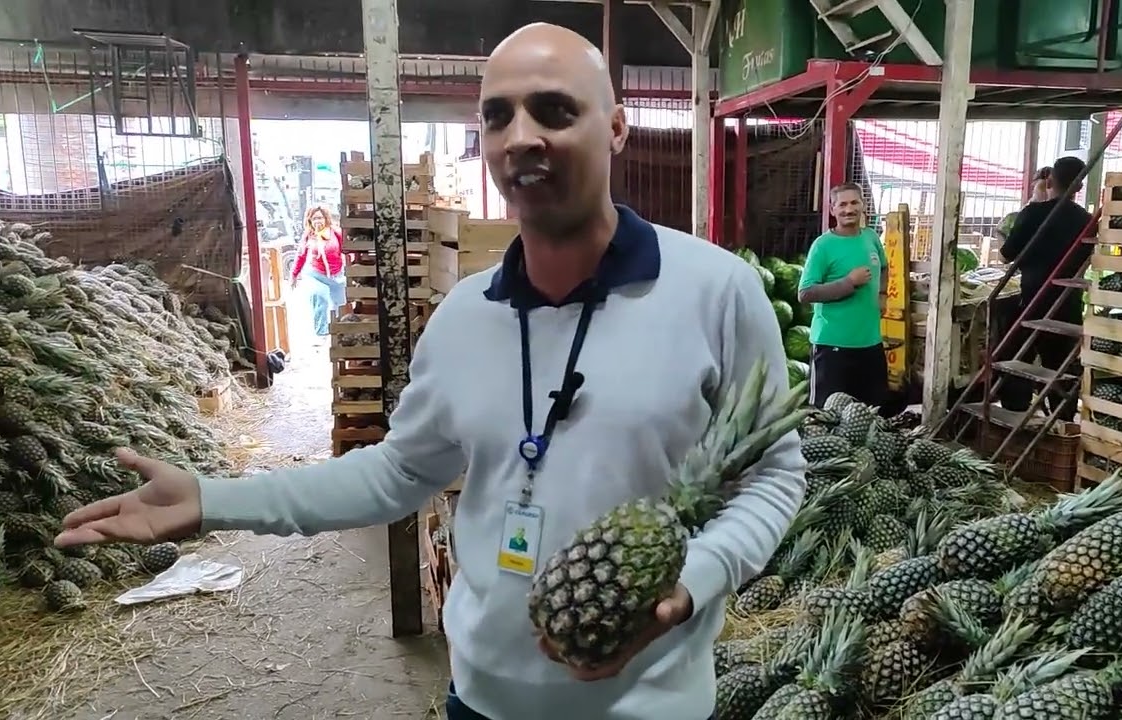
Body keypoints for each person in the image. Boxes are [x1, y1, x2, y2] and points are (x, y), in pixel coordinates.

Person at [54, 22, 804, 720]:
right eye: (498, 116)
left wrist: (693, 579)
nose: (522, 137)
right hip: (478, 701)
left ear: (614, 128)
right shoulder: (464, 317)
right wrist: (215, 499)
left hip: (651, 708)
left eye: (554, 110)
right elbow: (393, 475)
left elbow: (772, 478)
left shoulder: (716, 292)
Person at [996, 156, 1095, 413]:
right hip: (1067, 304)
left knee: (1017, 359)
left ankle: (1014, 413)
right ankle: (1062, 423)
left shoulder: (1032, 213)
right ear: (1080, 187)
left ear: (1049, 180)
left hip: (1032, 301)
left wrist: (1035, 201)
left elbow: (1005, 255)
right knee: (1062, 367)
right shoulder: (1087, 221)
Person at [797, 182, 889, 410]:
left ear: (864, 205)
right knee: (828, 416)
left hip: (870, 344)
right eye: (843, 204)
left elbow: (885, 267)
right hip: (832, 347)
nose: (849, 210)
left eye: (854, 202)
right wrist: (849, 282)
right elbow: (805, 293)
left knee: (872, 414)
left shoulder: (871, 238)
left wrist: (883, 294)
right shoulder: (823, 246)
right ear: (833, 210)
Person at [290, 206, 346, 336]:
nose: (317, 221)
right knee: (320, 297)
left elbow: (347, 249)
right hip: (316, 274)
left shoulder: (335, 232)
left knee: (340, 305)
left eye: (320, 218)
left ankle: (339, 332)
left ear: (326, 219)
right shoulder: (308, 236)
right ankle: (322, 332)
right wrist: (294, 275)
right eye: (314, 218)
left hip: (336, 274)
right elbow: (301, 255)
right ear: (310, 221)